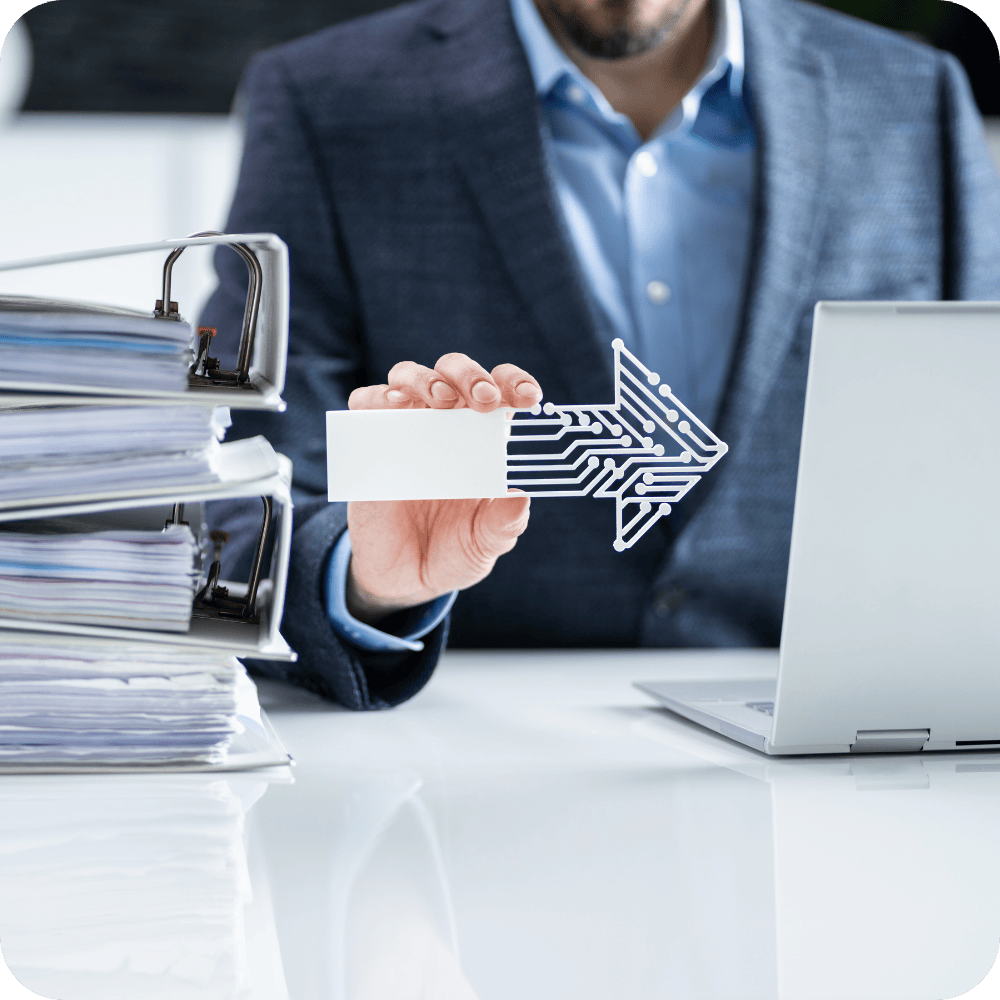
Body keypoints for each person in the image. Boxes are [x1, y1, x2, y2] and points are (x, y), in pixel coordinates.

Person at [201, 0, 1000, 709]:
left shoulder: (913, 98)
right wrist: (367, 580)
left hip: (836, 745)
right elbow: (236, 496)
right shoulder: (325, 100)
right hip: (464, 755)